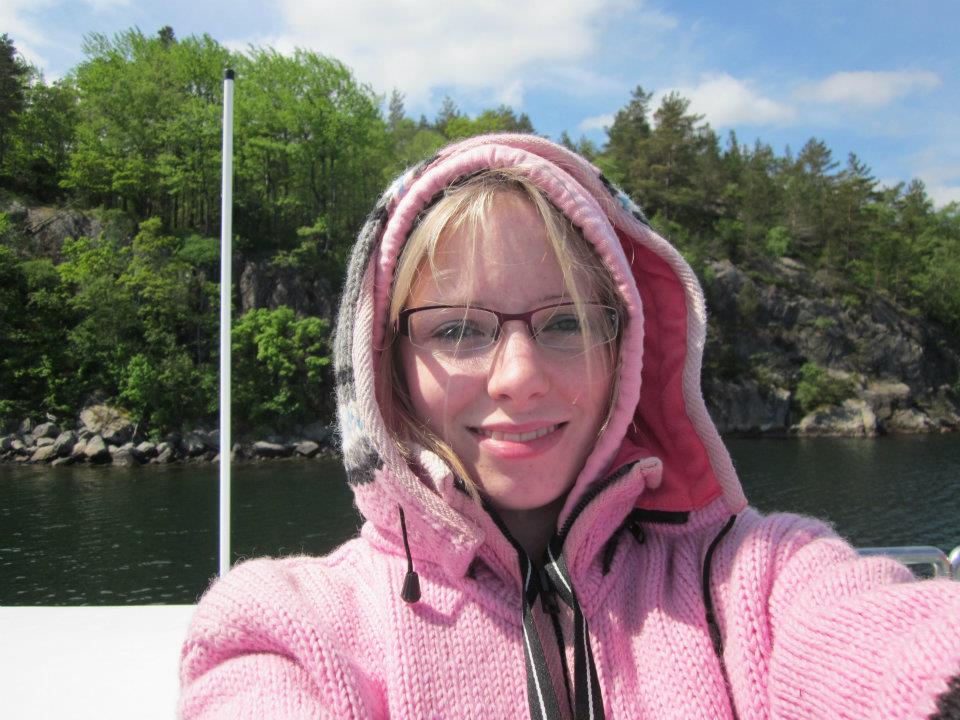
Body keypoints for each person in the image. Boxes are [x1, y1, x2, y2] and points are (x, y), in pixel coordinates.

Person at [179, 134, 960, 719]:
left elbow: (886, 645)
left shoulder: (756, 581)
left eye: (569, 322)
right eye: (456, 330)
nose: (519, 378)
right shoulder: (291, 629)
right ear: (390, 368)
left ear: (629, 349)